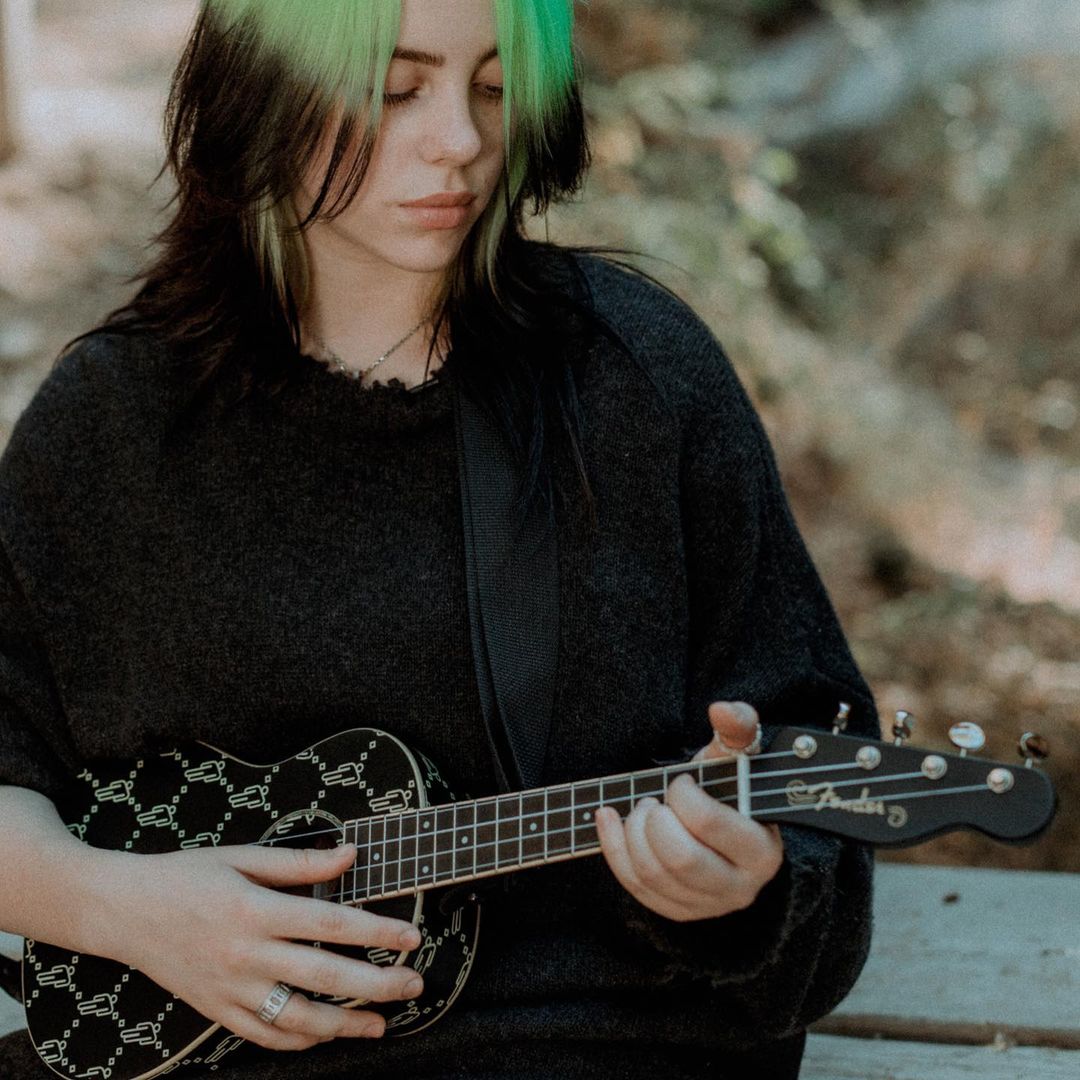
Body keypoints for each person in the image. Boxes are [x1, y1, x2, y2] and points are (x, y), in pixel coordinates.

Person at [0, 1, 878, 1077]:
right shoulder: (116, 424)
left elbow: (815, 801)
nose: (461, 140)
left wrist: (748, 891)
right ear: (261, 87)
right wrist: (123, 909)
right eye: (395, 88)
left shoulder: (640, 381)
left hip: (593, 1043)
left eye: (496, 87)